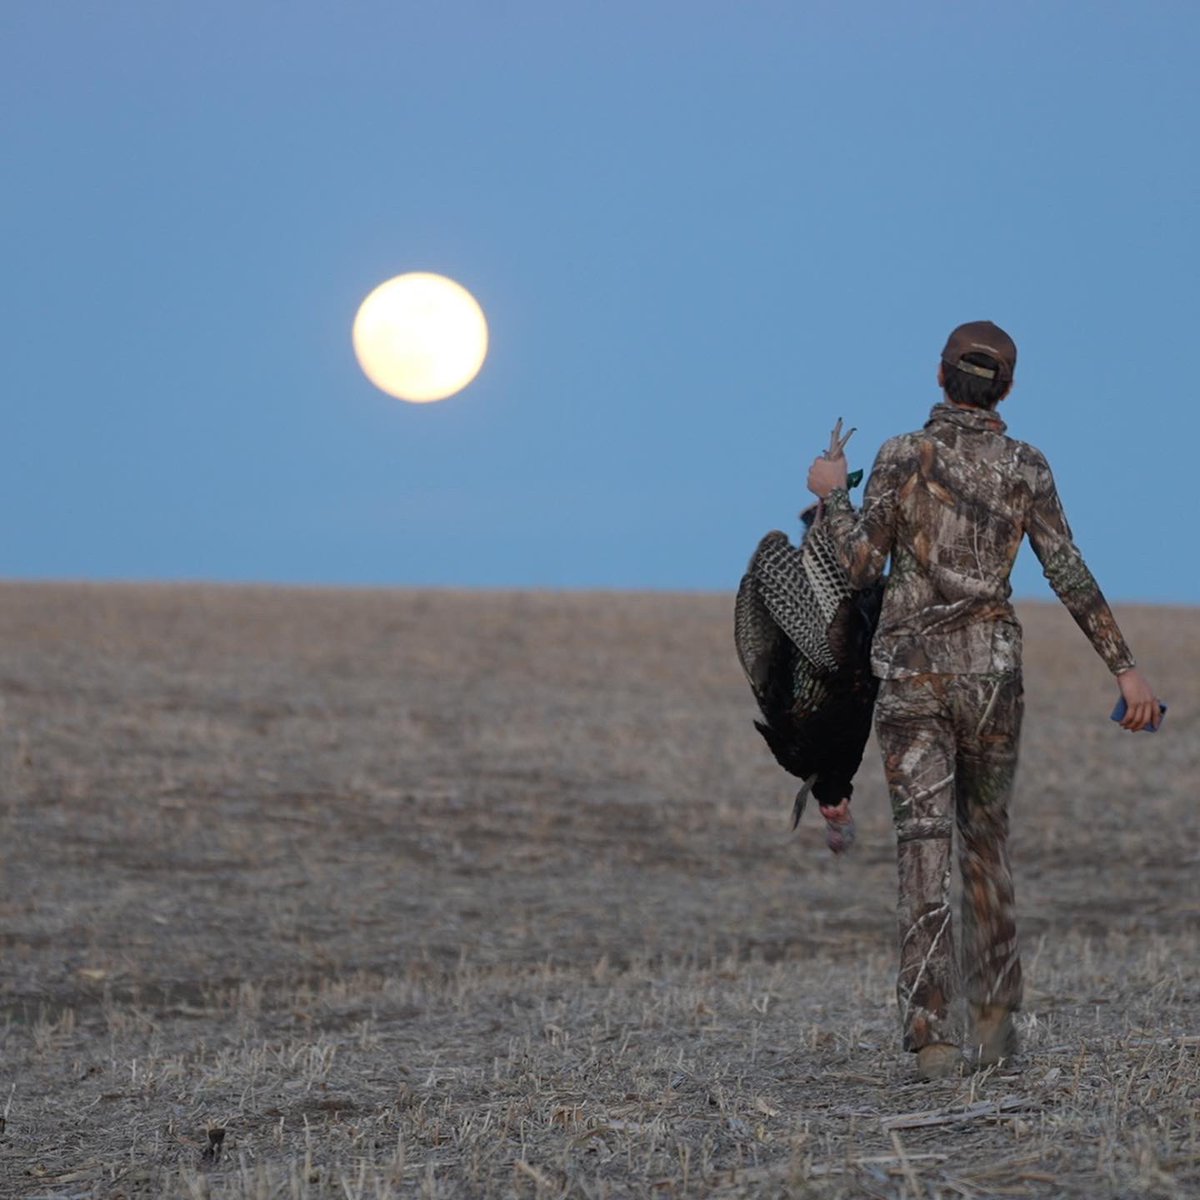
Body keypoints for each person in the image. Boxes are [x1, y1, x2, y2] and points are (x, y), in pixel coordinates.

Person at [804, 320, 1159, 1080]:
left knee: (924, 851)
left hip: (913, 681)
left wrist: (832, 499)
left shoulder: (902, 454)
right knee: (985, 848)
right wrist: (1124, 669)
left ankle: (932, 1037)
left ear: (940, 377)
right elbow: (1067, 568)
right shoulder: (1026, 466)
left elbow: (862, 568)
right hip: (993, 681)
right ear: (1008, 387)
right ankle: (997, 1026)